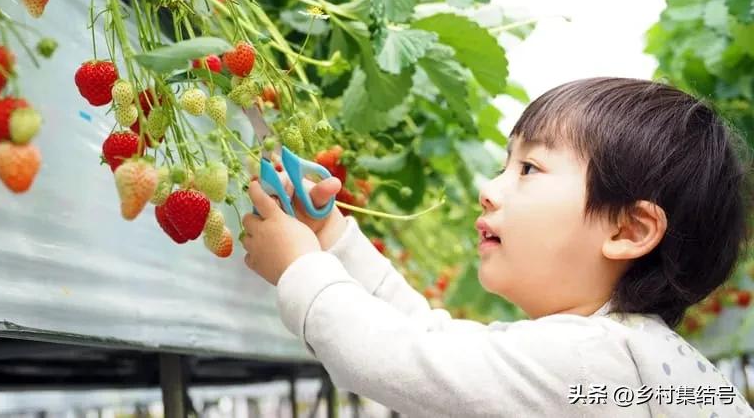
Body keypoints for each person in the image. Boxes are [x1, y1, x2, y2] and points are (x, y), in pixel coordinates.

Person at [240, 77, 754, 417]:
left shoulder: (590, 362)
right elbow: (428, 338)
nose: (489, 187)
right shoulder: (625, 358)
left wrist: (300, 268)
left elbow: (398, 358)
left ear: (628, 231)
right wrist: (331, 238)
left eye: (528, 169)